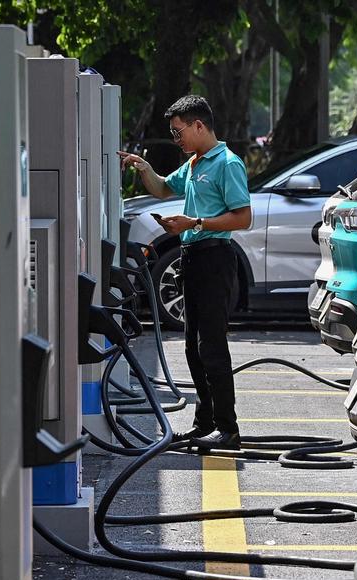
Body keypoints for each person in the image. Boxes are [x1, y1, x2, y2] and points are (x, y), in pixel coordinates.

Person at [118, 95, 251, 449]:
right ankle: (205, 422)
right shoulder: (194, 164)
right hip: (191, 256)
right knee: (193, 346)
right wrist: (142, 167)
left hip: (215, 257)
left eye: (179, 133)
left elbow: (243, 217)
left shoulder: (227, 163)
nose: (177, 140)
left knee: (212, 345)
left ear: (199, 125)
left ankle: (228, 427)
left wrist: (195, 221)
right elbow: (162, 187)